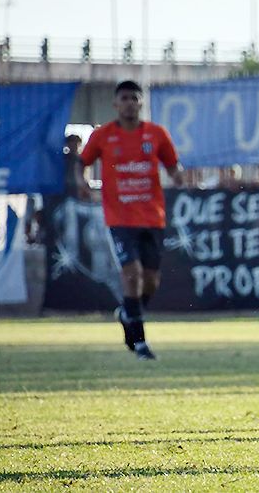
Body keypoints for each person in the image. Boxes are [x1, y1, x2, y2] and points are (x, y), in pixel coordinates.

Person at [81, 80, 183, 360]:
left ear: (141, 103)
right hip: (120, 216)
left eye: (134, 98)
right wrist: (82, 182)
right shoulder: (103, 136)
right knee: (132, 274)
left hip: (152, 217)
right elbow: (83, 163)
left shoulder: (157, 134)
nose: (129, 103)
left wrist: (178, 176)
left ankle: (128, 312)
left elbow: (173, 165)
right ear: (115, 104)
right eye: (124, 98)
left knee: (151, 281)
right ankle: (139, 344)